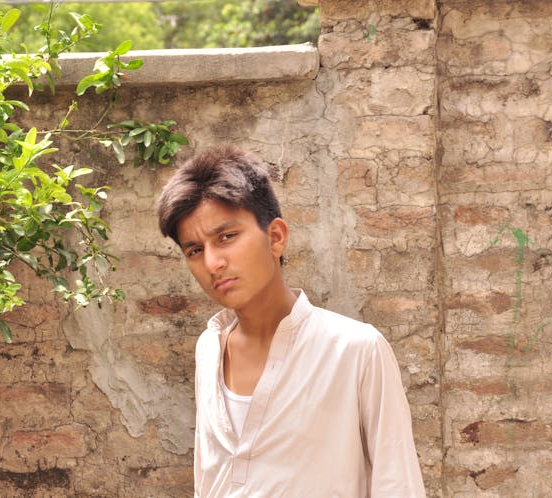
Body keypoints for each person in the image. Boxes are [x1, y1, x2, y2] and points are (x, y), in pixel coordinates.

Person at [157, 146, 426, 498]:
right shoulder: (209, 347)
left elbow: (398, 486)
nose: (212, 263)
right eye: (194, 250)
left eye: (227, 237)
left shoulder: (356, 350)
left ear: (275, 237)